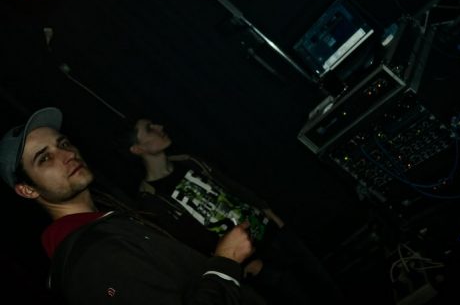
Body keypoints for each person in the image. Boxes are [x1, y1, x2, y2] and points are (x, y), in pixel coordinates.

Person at [0, 107, 266, 305]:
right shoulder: (91, 259)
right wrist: (226, 261)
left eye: (64, 143)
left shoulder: (105, 228)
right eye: (45, 158)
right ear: (27, 189)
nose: (68, 154)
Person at [124, 118, 344, 304]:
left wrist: (267, 211)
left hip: (270, 231)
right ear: (137, 149)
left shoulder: (188, 161)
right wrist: (242, 264)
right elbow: (189, 242)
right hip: (250, 258)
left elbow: (232, 186)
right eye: (149, 129)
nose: (159, 127)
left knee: (322, 281)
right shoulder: (151, 199)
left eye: (155, 124)